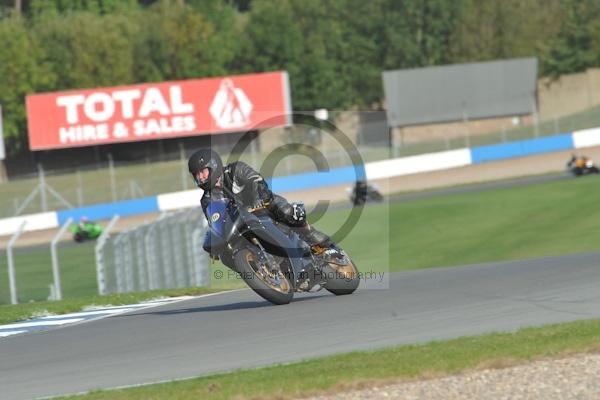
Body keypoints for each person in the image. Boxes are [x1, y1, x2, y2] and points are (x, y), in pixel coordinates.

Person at [188, 148, 342, 259]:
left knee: (289, 213)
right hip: (242, 225)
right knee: (226, 256)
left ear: (213, 166)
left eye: (203, 172)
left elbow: (257, 181)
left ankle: (326, 246)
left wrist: (258, 200)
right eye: (197, 175)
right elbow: (214, 222)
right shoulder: (207, 199)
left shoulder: (235, 170)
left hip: (263, 206)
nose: (201, 177)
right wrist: (216, 244)